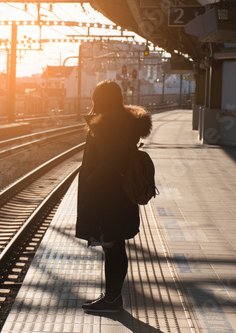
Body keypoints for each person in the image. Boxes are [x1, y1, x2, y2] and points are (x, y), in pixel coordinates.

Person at [76, 80, 152, 313]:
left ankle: (112, 300)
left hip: (107, 197)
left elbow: (108, 164)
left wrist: (90, 183)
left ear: (99, 99)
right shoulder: (123, 124)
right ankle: (112, 296)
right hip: (119, 196)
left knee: (112, 246)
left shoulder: (108, 126)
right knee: (115, 245)